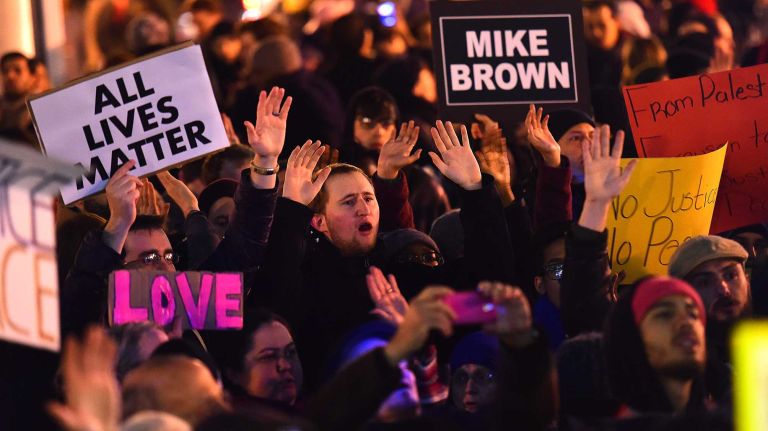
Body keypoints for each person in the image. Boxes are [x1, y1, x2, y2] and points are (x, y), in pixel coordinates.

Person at [260, 120, 514, 393]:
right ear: (320, 222)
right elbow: (273, 300)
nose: (363, 209)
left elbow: (484, 294)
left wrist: (475, 191)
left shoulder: (407, 272)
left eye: (369, 198)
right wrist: (291, 211)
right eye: (348, 202)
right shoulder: (306, 284)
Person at [61, 87, 291, 335]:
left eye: (169, 256)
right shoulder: (101, 336)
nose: (165, 268)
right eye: (149, 258)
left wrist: (266, 163)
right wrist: (118, 223)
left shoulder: (193, 314)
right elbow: (82, 301)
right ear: (114, 273)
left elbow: (244, 247)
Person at [0, 52, 37, 146]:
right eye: (5, 71)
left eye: (17, 70)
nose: (10, 76)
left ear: (32, 77)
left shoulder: (41, 109)